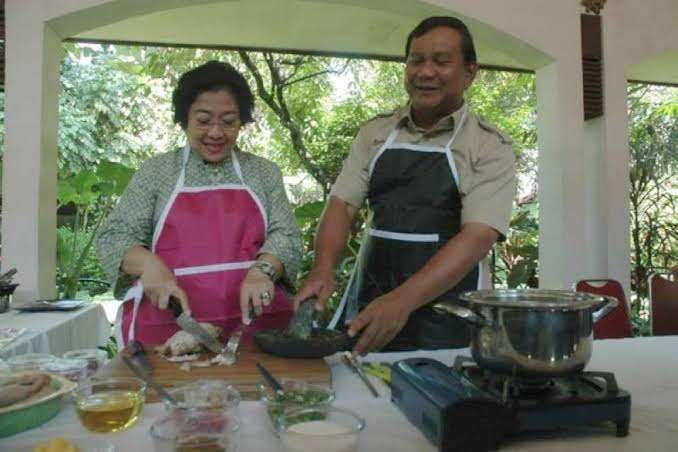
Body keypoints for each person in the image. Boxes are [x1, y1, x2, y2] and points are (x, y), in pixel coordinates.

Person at [295, 16, 516, 355]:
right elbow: (342, 204)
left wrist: (401, 302)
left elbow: (478, 237)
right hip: (368, 302)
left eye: (441, 61)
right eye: (416, 60)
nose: (425, 72)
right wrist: (322, 270)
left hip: (450, 316)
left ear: (470, 72)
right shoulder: (375, 133)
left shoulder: (489, 145)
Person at [97, 60, 302, 346]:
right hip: (168, 328)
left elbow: (287, 236)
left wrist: (263, 270)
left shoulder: (264, 173)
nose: (216, 133)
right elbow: (115, 236)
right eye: (203, 121)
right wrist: (149, 265)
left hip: (256, 328)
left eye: (228, 122)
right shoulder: (157, 173)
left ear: (241, 122)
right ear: (184, 120)